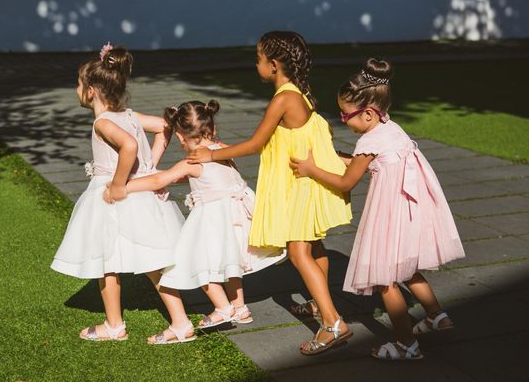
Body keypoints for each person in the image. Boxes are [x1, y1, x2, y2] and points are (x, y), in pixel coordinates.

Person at [188, 31, 352, 355]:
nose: (257, 65)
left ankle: (333, 323)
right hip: (300, 182)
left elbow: (255, 143)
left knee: (297, 252)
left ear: (274, 65)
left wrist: (210, 154)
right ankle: (320, 306)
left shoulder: (284, 98)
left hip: (298, 185)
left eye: (258, 59)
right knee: (315, 248)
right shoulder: (299, 93)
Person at [290, 58, 465, 360]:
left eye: (346, 116)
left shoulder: (369, 140)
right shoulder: (390, 128)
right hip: (411, 209)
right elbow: (362, 161)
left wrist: (311, 169)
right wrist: (330, 156)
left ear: (368, 113)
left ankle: (406, 345)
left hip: (390, 214)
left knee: (386, 280)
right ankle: (437, 316)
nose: (344, 120)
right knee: (409, 270)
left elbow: (347, 181)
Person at [51, 43, 193, 343]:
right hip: (140, 195)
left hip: (117, 196)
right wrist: (150, 163)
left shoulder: (103, 122)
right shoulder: (129, 115)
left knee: (108, 260)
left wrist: (117, 184)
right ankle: (177, 322)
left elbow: (128, 146)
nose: (76, 90)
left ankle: (116, 325)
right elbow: (165, 127)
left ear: (91, 90)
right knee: (151, 261)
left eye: (78, 84)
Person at [108, 100, 284, 335]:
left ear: (181, 137)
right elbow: (191, 177)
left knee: (195, 260)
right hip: (236, 216)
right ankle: (239, 307)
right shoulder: (222, 149)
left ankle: (222, 308)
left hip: (212, 220)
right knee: (230, 261)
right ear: (212, 129)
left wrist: (124, 185)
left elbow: (159, 181)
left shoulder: (190, 161)